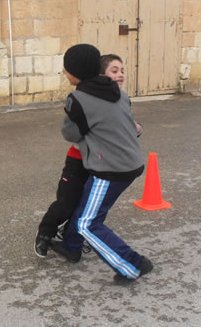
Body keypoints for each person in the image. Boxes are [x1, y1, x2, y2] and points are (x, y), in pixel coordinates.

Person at [49, 43, 153, 284]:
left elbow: (71, 135)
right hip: (130, 162)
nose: (65, 73)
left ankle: (133, 265)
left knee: (88, 222)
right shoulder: (117, 91)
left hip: (111, 170)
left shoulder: (78, 99)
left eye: (67, 69)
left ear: (76, 72)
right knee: (86, 205)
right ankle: (71, 246)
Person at [34, 52, 142, 258]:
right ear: (99, 73)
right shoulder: (83, 99)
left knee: (86, 204)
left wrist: (134, 129)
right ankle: (45, 233)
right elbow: (71, 134)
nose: (120, 75)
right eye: (114, 71)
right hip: (79, 159)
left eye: (122, 71)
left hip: (102, 162)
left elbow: (126, 128)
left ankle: (72, 242)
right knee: (67, 201)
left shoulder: (120, 97)